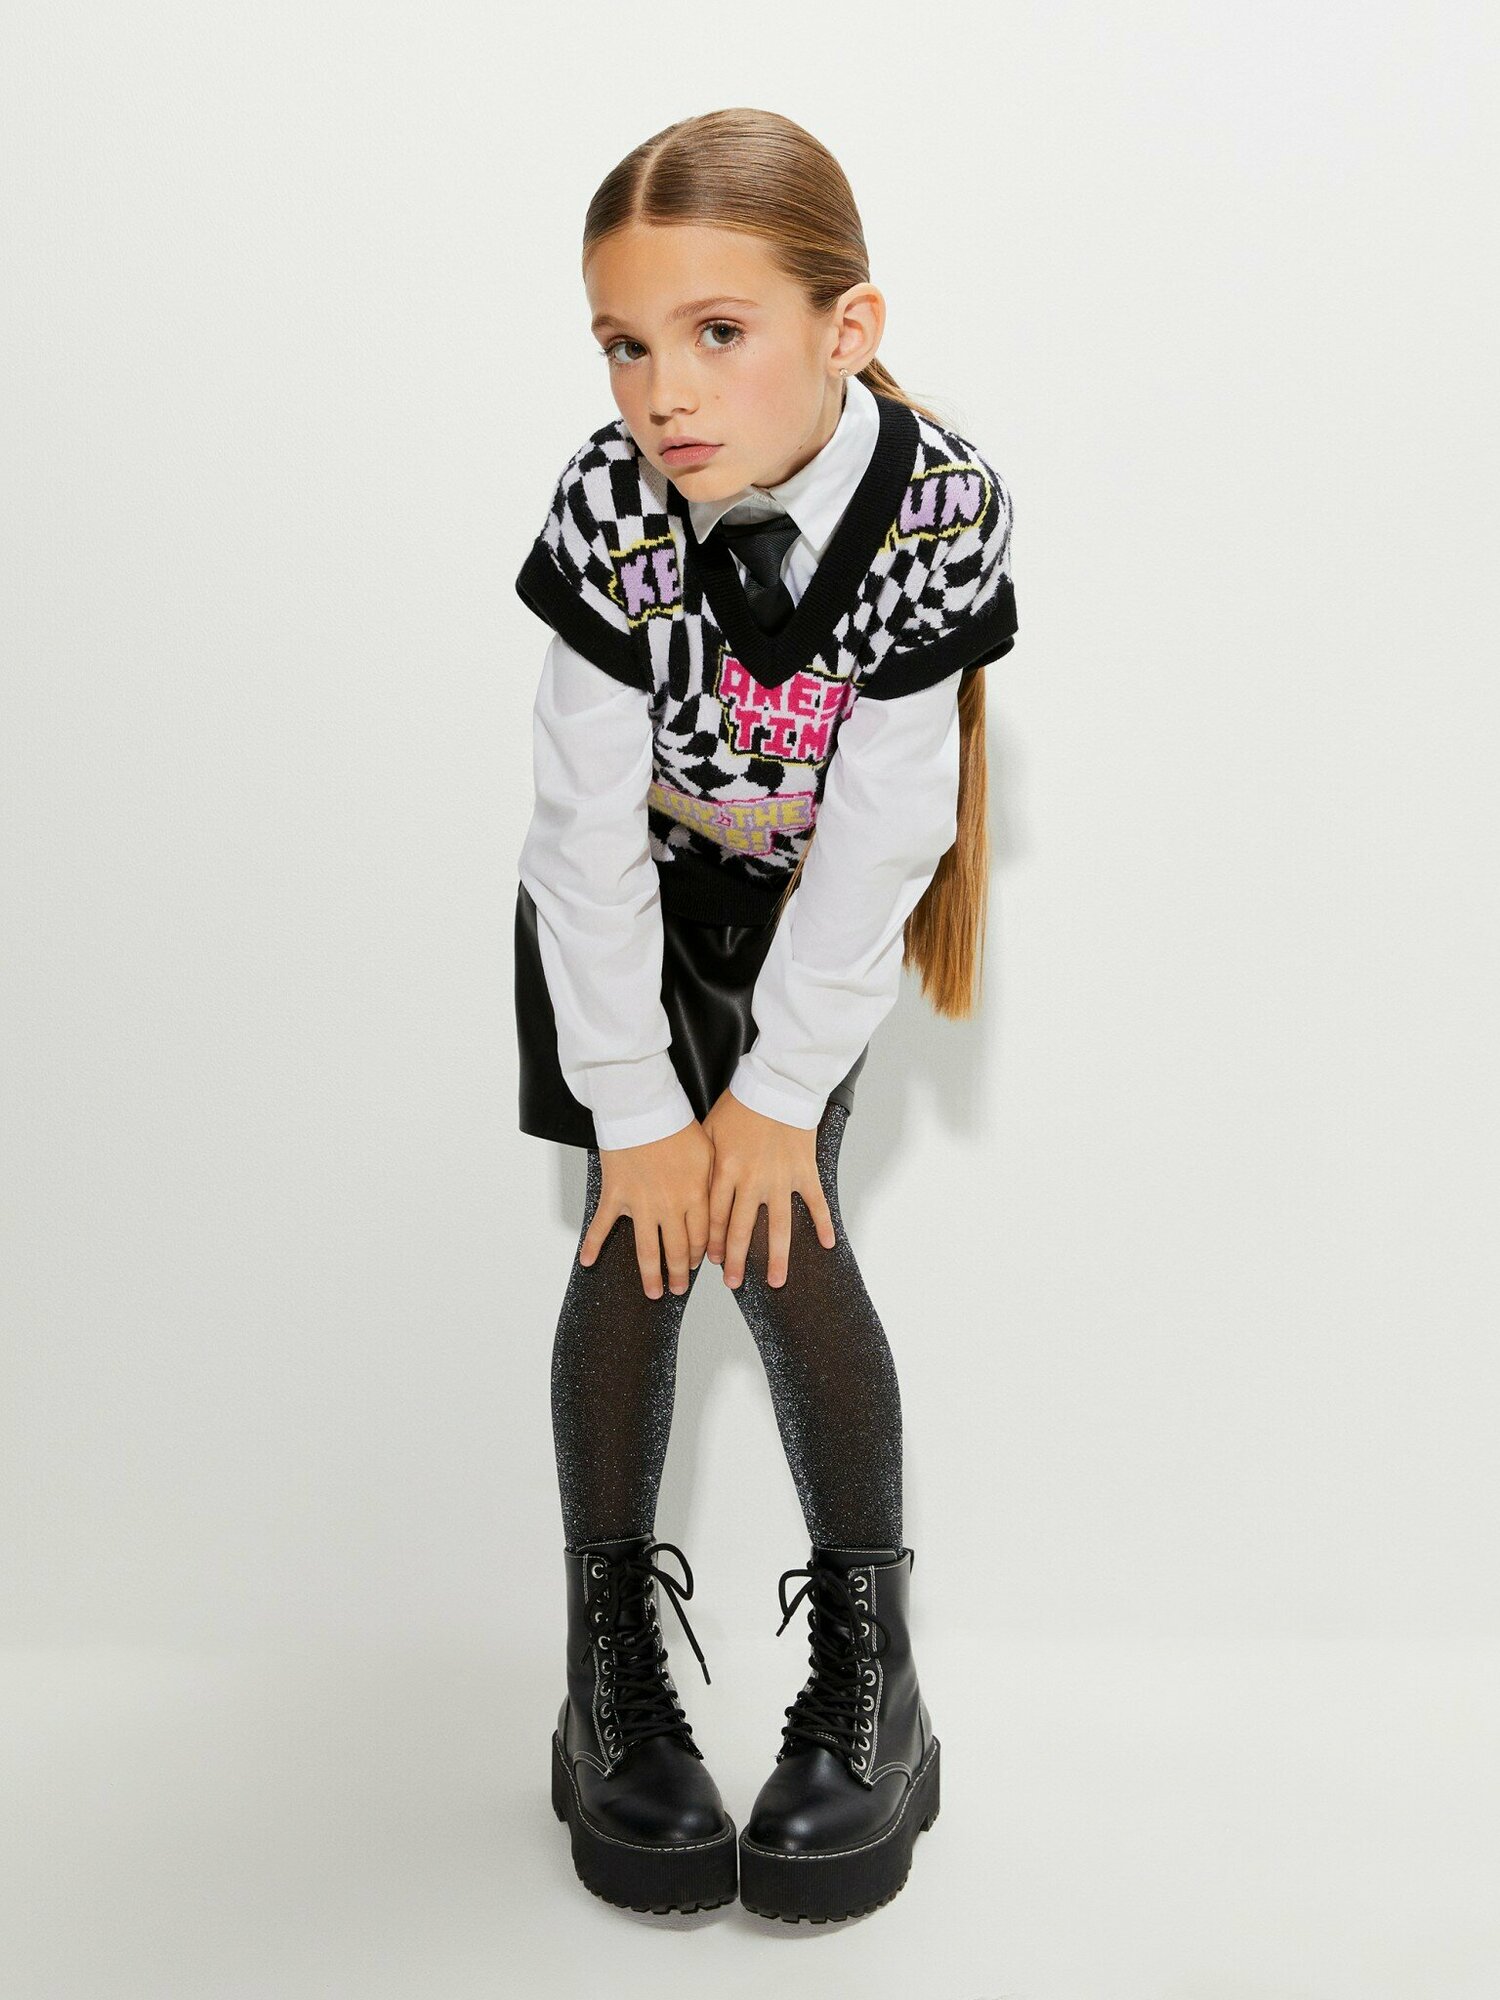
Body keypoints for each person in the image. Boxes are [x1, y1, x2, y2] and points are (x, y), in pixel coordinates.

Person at [512, 107, 1019, 1923]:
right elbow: (579, 834)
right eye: (624, 344)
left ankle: (875, 1687)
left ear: (845, 329)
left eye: (715, 333)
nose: (663, 391)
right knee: (636, 1238)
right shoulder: (609, 504)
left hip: (811, 926)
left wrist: (776, 1093)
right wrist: (640, 1106)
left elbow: (887, 832)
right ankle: (607, 1681)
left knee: (780, 1229)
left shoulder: (934, 509)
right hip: (629, 916)